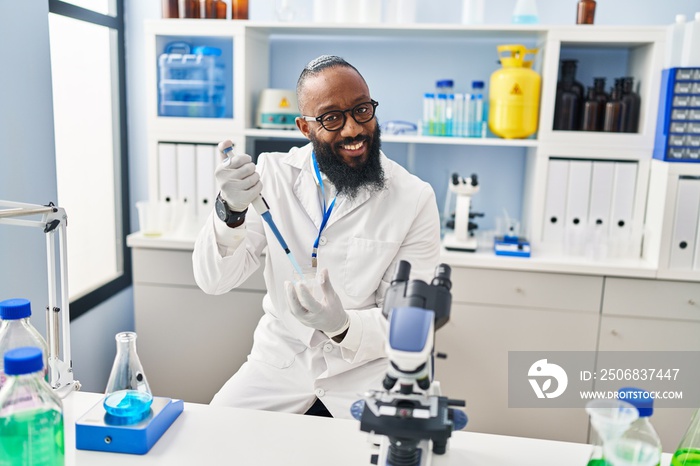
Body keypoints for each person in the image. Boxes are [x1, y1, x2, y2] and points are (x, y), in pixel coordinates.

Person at [192, 55, 441, 419]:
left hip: (365, 373)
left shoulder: (414, 197)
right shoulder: (271, 176)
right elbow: (214, 280)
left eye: (362, 110)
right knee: (213, 434)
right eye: (331, 118)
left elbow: (408, 323)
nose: (353, 129)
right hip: (280, 363)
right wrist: (230, 209)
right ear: (305, 128)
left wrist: (342, 326)